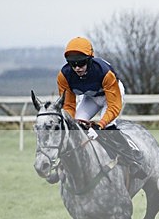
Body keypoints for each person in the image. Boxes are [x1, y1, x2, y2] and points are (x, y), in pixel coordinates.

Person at [57, 36, 147, 178]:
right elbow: (68, 105)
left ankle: (132, 159)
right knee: (76, 125)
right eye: (72, 64)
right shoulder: (64, 76)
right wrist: (70, 121)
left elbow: (113, 106)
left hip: (111, 96)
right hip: (91, 97)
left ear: (89, 59)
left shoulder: (105, 73)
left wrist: (100, 125)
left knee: (108, 127)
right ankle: (67, 166)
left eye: (81, 63)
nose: (77, 68)